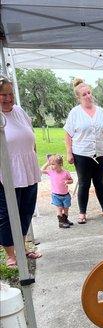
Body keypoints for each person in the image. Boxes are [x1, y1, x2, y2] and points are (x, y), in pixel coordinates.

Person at [0, 75, 42, 268]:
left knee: (26, 210)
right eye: (2, 94)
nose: (7, 98)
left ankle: (22, 246)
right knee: (8, 214)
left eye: (10, 94)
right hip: (6, 173)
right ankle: (10, 254)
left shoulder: (19, 111)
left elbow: (30, 136)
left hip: (27, 168)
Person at [64, 78, 103, 224]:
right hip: (82, 154)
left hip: (101, 153)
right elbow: (68, 134)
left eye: (89, 93)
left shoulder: (100, 111)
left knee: (100, 182)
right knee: (84, 183)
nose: (88, 96)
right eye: (84, 94)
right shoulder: (75, 113)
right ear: (78, 97)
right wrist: (69, 152)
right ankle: (82, 213)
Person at [41, 154, 73, 229]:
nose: (51, 166)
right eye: (50, 164)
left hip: (65, 195)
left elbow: (71, 180)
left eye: (53, 164)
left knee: (66, 209)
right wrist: (47, 163)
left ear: (60, 164)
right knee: (59, 208)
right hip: (56, 195)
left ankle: (65, 220)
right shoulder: (51, 172)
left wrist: (68, 182)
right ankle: (61, 222)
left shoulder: (65, 172)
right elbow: (41, 170)